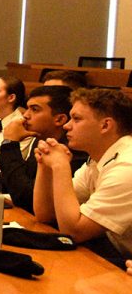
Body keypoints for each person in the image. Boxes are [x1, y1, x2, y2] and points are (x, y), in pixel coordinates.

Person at [33, 88, 132, 266]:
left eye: (76, 119)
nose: (66, 125)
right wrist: (44, 165)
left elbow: (73, 231)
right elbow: (44, 213)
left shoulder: (127, 166)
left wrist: (60, 166)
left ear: (105, 126)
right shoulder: (99, 158)